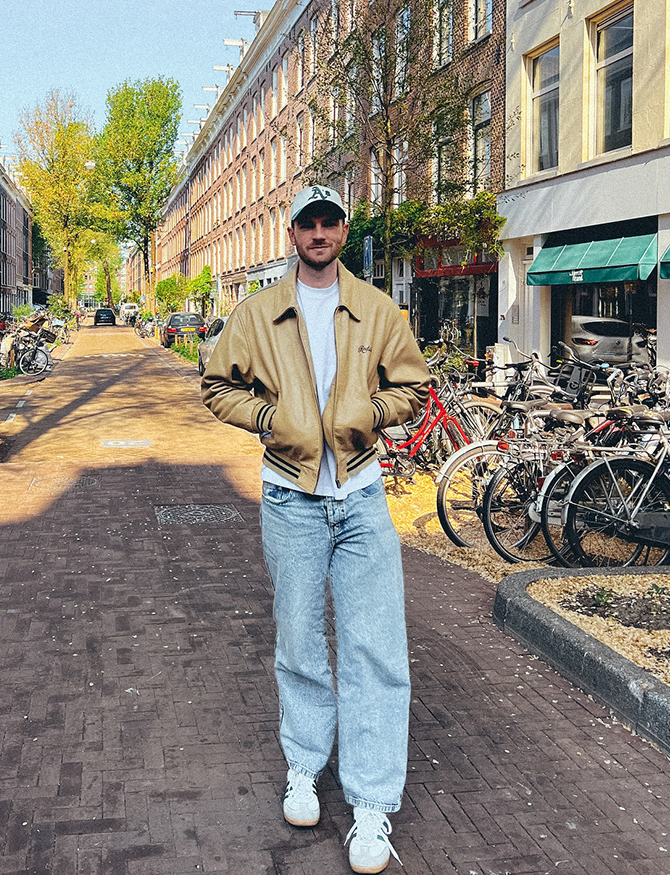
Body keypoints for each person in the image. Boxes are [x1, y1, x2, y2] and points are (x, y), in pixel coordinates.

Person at [201, 184, 429, 873]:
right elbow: (216, 385)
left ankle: (371, 802)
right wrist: (273, 421)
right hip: (289, 497)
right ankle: (304, 766)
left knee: (375, 646)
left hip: (361, 494)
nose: (321, 232)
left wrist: (369, 410)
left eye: (331, 221)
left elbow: (413, 389)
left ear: (342, 229)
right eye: (309, 222)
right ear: (293, 231)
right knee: (300, 639)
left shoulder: (378, 308)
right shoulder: (258, 312)